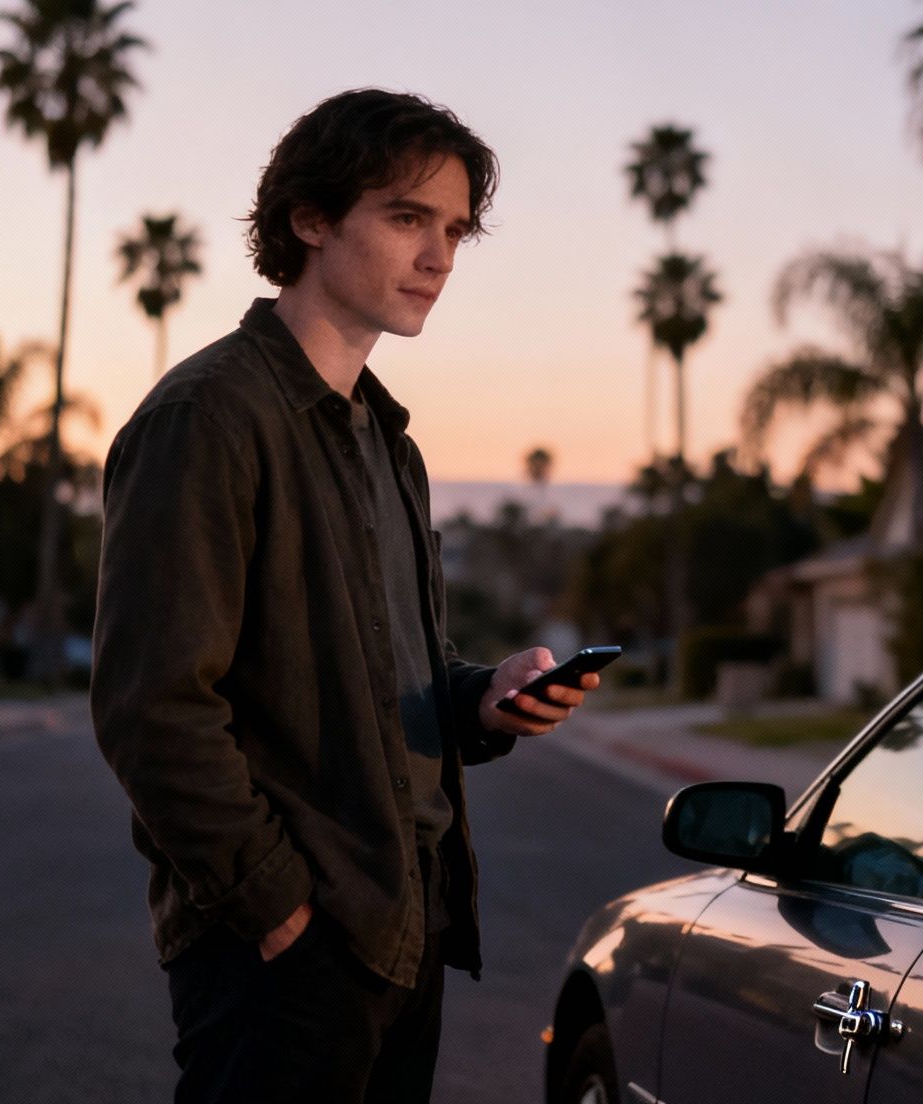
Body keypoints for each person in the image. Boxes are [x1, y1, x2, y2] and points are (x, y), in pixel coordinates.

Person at [90, 88, 600, 1103]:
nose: (439, 257)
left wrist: (478, 699)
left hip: (401, 926)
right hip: (286, 950)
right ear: (309, 220)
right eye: (407, 219)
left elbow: (374, 671)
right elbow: (153, 706)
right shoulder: (209, 419)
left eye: (454, 230)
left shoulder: (388, 445)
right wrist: (277, 908)